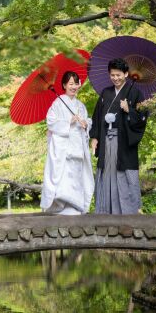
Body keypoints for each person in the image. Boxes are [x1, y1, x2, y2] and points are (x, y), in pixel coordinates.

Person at [89, 58, 147, 214]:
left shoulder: (135, 93)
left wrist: (130, 110)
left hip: (123, 142)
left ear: (126, 74)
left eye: (118, 75)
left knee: (123, 173)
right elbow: (97, 116)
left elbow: (143, 117)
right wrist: (94, 137)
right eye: (112, 75)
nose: (115, 78)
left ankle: (129, 211)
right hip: (105, 140)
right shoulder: (105, 93)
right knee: (106, 172)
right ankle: (104, 210)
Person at [40, 71, 95, 215]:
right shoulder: (58, 103)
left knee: (77, 175)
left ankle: (75, 205)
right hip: (63, 147)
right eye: (70, 84)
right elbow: (51, 122)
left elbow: (88, 121)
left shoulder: (80, 105)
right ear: (64, 85)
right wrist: (68, 122)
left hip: (78, 145)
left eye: (76, 84)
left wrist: (85, 124)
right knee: (63, 175)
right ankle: (60, 206)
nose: (74, 86)